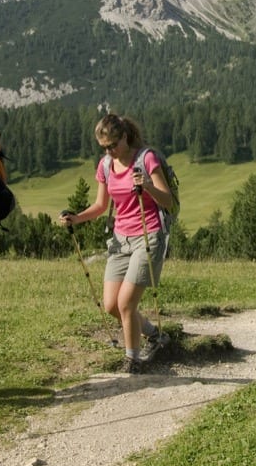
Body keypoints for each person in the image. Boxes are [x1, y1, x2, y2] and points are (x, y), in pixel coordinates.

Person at [60, 113, 175, 373]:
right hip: (120, 240)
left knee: (126, 303)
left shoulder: (147, 159)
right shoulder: (105, 166)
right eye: (104, 147)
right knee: (112, 305)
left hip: (148, 236)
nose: (110, 151)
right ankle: (154, 336)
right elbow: (101, 206)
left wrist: (147, 185)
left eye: (113, 145)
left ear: (125, 136)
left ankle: (132, 359)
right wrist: (76, 219)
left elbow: (167, 200)